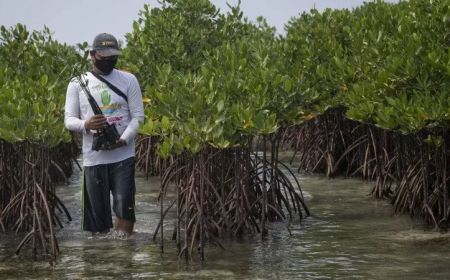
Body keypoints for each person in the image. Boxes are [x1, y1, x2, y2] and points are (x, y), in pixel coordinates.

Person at [64, 33, 144, 238]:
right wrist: (87, 125)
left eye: (113, 57)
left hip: (123, 156)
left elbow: (138, 117)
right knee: (98, 227)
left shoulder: (129, 80)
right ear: (92, 55)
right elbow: (69, 120)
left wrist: (123, 139)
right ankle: (102, 263)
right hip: (93, 158)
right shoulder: (77, 83)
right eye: (103, 57)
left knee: (125, 210)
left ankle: (124, 259)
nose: (108, 61)